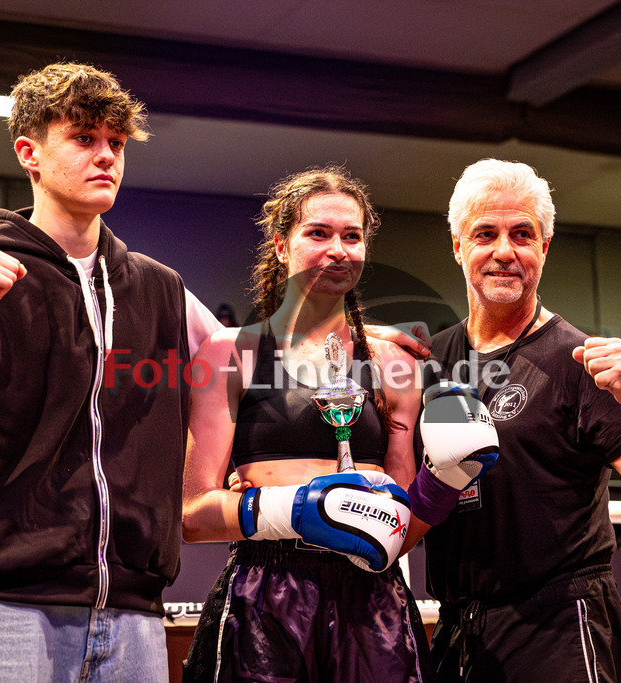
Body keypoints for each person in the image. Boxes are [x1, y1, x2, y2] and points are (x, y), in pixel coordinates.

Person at [0, 62, 221, 681]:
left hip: (135, 614)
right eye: (84, 139)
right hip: (5, 610)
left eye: (116, 143)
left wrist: (350, 331)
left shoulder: (159, 287)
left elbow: (242, 361)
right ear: (28, 153)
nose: (106, 157)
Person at [406, 159, 621, 682]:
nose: (504, 252)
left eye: (522, 234)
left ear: (544, 248)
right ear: (457, 247)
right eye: (485, 234)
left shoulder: (580, 359)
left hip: (560, 623)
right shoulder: (430, 360)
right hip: (459, 627)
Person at [181, 166, 435, 681]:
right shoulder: (231, 353)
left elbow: (404, 531)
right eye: (318, 233)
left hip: (373, 597)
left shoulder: (395, 365)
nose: (337, 249)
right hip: (264, 593)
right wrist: (291, 510)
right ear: (280, 245)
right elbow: (189, 513)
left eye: (352, 235)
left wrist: (445, 485)